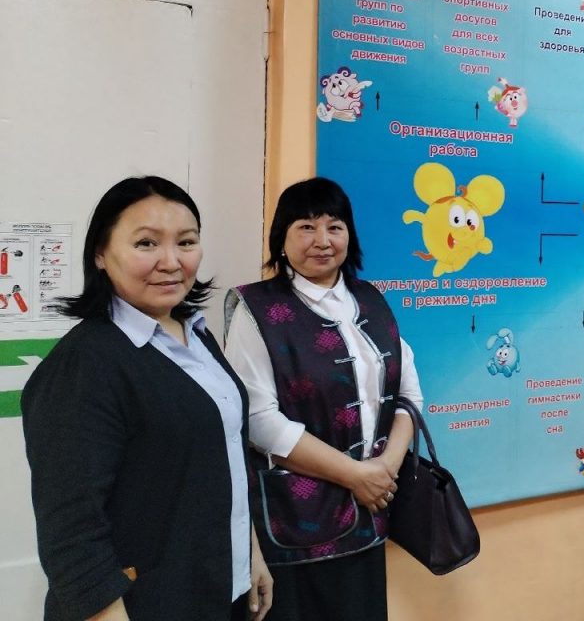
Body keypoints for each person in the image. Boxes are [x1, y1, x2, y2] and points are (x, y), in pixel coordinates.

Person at [21, 176, 272, 621]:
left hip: (216, 589)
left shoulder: (195, 334)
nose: (171, 262)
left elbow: (224, 459)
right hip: (144, 604)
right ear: (100, 253)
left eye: (186, 242)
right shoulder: (85, 363)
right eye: (146, 244)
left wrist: (249, 554)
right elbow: (71, 530)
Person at [225, 177, 423, 621]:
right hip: (296, 523)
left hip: (371, 513)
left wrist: (385, 469)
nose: (322, 240)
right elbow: (257, 419)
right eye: (306, 227)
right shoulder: (257, 309)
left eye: (334, 226)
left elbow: (408, 393)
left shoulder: (370, 300)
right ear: (281, 237)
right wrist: (357, 475)